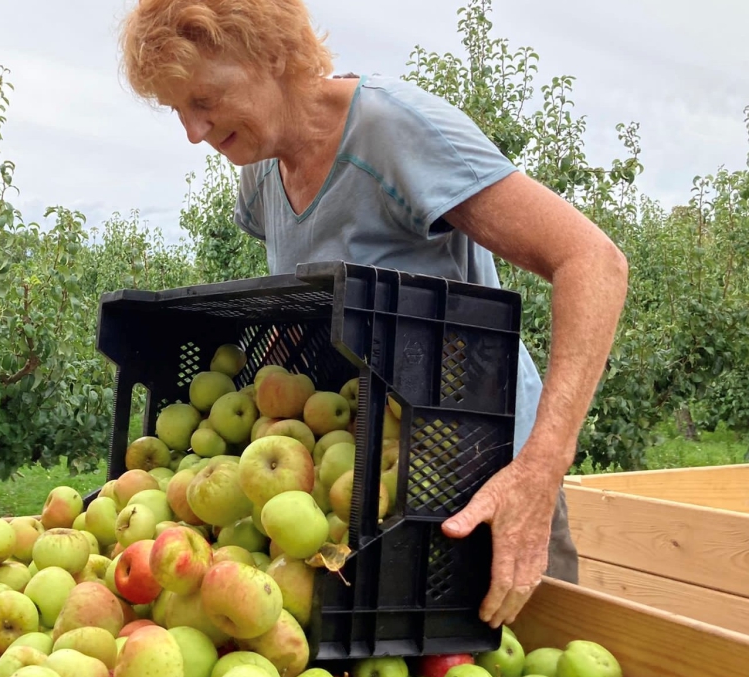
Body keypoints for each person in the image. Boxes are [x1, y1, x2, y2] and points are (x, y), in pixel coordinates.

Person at [118, 0, 628, 627]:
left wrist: (539, 470)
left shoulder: (391, 131)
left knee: (527, 670)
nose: (194, 132)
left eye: (204, 101)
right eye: (178, 112)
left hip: (486, 472)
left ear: (272, 55)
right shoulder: (257, 169)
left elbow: (593, 263)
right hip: (370, 482)